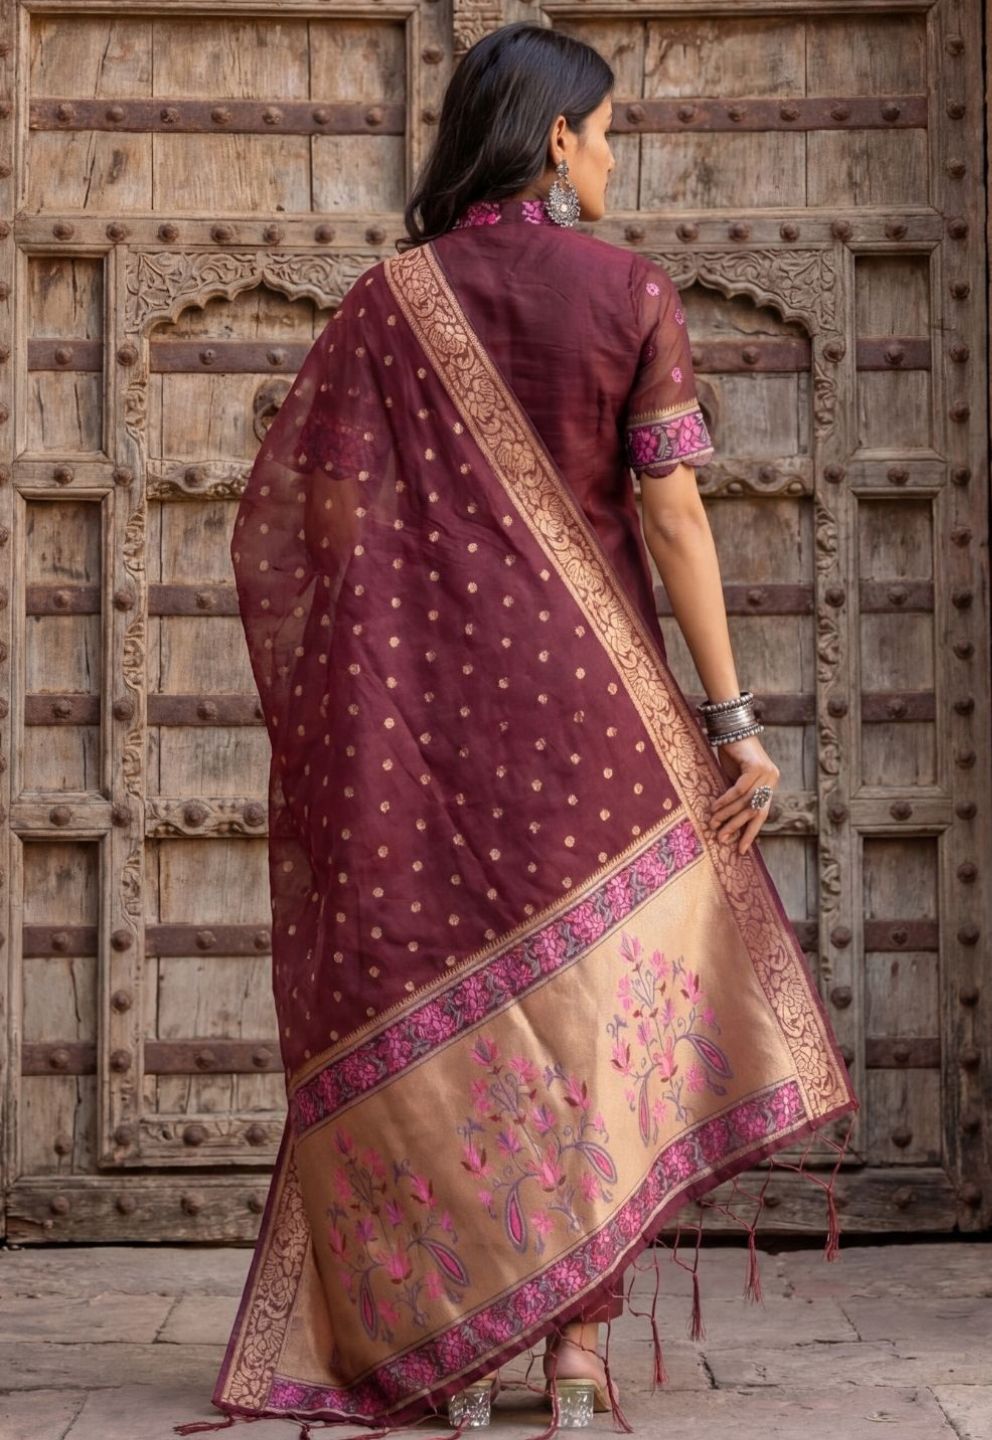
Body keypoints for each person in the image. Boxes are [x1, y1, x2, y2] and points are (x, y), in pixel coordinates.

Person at [178, 21, 857, 1440]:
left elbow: (314, 530)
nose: (612, 159)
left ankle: (451, 1352)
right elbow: (674, 519)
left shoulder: (386, 305)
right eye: (604, 134)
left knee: (444, 1008)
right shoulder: (628, 293)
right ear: (555, 139)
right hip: (595, 721)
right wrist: (733, 719)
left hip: (421, 735)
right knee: (591, 1025)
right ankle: (578, 1360)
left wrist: (384, 685)